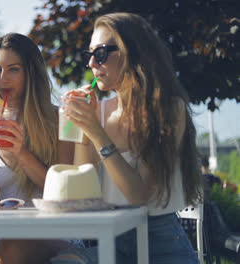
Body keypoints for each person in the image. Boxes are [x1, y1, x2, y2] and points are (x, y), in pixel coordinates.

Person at [52, 12, 203, 264]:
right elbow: (82, 185)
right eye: (89, 54)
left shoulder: (168, 110)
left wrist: (97, 133)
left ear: (131, 53)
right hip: (111, 235)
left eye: (99, 53)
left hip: (160, 239)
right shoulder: (99, 111)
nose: (91, 64)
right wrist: (81, 128)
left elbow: (139, 195)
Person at [0, 33, 75, 264]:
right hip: (5, 238)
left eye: (13, 69)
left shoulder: (62, 121)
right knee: (8, 248)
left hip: (55, 235)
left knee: (10, 250)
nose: (2, 78)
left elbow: (64, 193)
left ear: (31, 72)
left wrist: (21, 153)